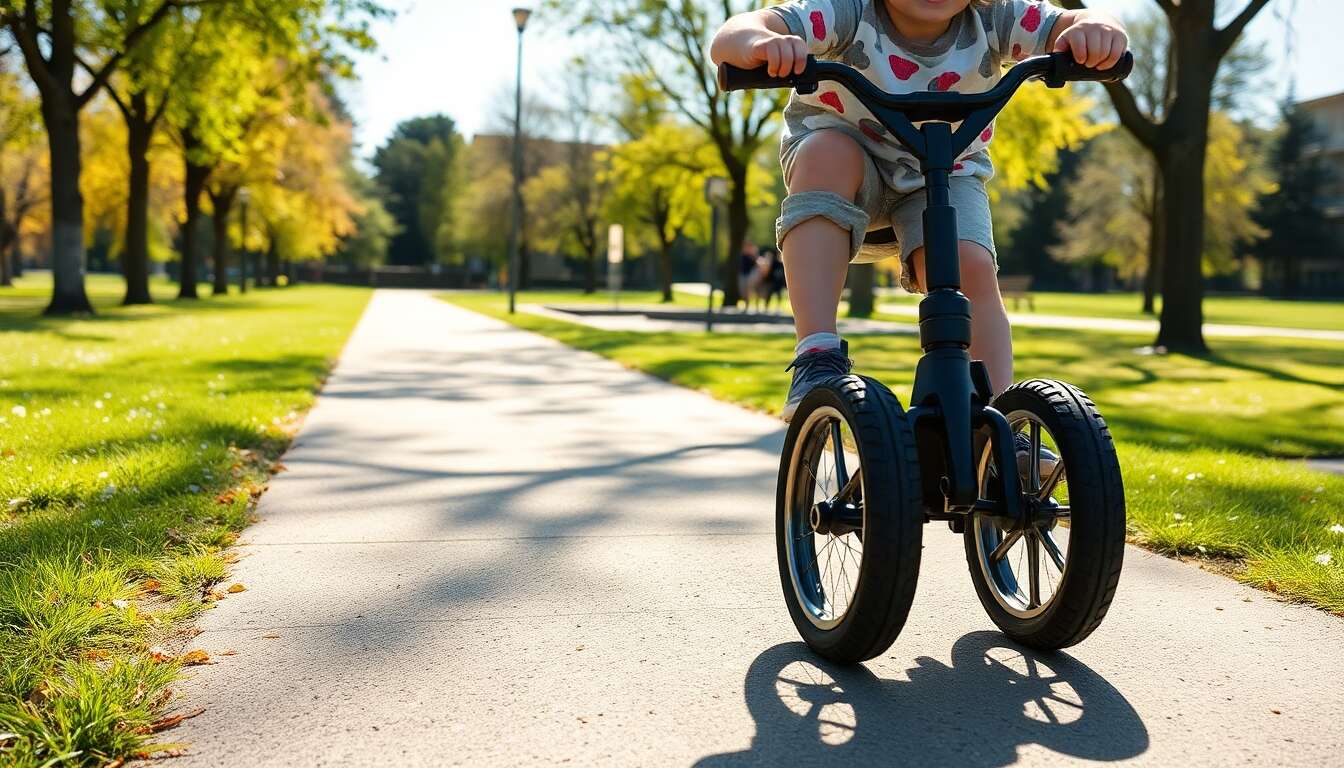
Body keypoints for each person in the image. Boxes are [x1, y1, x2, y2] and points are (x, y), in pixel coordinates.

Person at [710, 0, 1127, 421]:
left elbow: (1071, 23)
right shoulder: (846, 11)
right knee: (827, 150)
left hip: (945, 174)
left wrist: (1095, 29)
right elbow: (735, 34)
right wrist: (761, 41)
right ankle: (818, 354)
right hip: (848, 172)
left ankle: (998, 420)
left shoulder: (996, 16)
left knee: (971, 267)